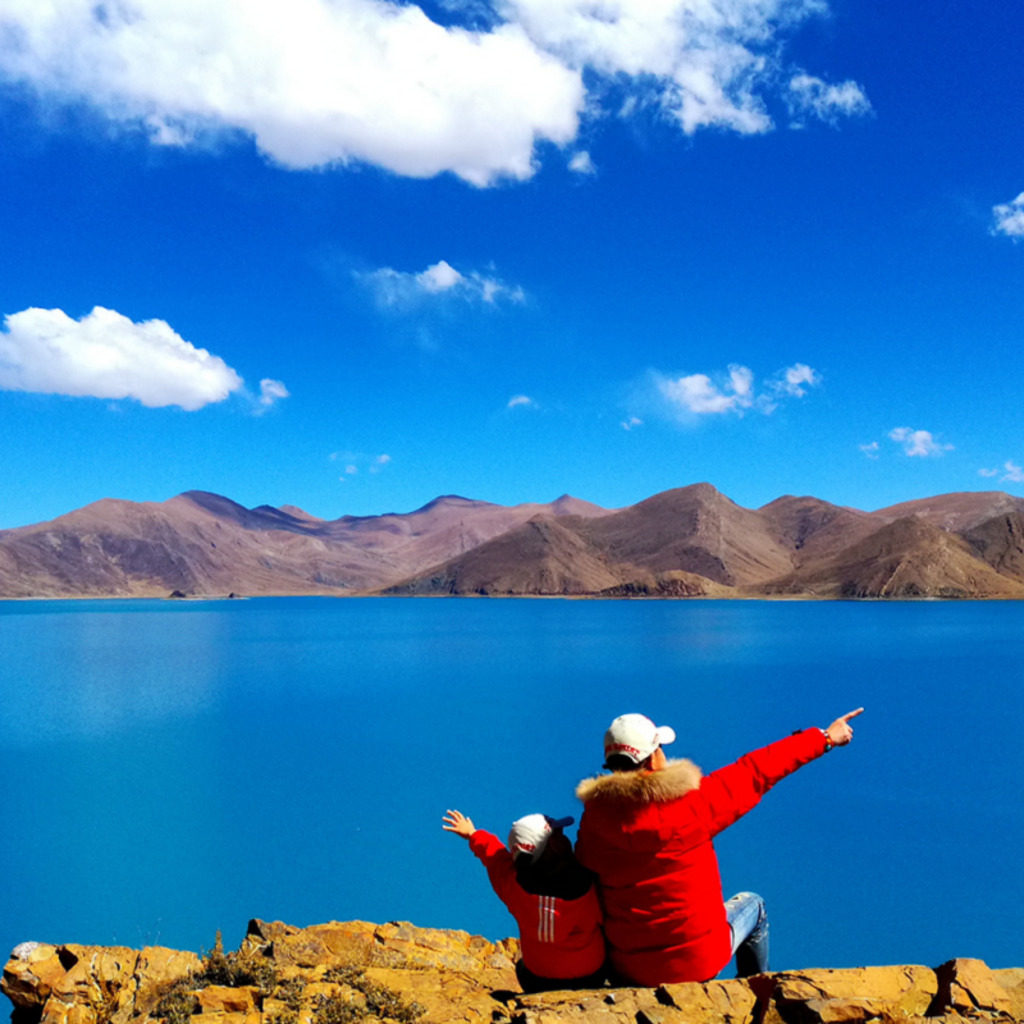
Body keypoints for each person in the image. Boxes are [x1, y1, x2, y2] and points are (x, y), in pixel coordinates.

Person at [574, 708, 863, 987]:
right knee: (754, 905)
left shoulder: (594, 823)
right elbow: (757, 771)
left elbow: (585, 874)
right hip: (698, 962)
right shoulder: (693, 804)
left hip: (631, 968)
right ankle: (754, 991)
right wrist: (824, 738)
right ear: (652, 760)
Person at [443, 808, 606, 992]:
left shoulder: (511, 886)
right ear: (552, 844)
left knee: (522, 967)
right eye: (559, 833)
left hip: (539, 980)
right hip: (593, 975)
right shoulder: (590, 880)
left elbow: (494, 856)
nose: (565, 837)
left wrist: (473, 834)